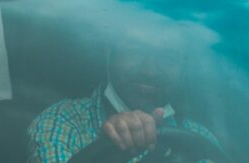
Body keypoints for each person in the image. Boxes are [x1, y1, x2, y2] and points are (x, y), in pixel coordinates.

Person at [26, 31, 219, 163]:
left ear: (183, 69)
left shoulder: (200, 140)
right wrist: (104, 152)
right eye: (136, 50)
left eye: (168, 57)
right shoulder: (62, 122)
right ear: (109, 52)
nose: (150, 71)